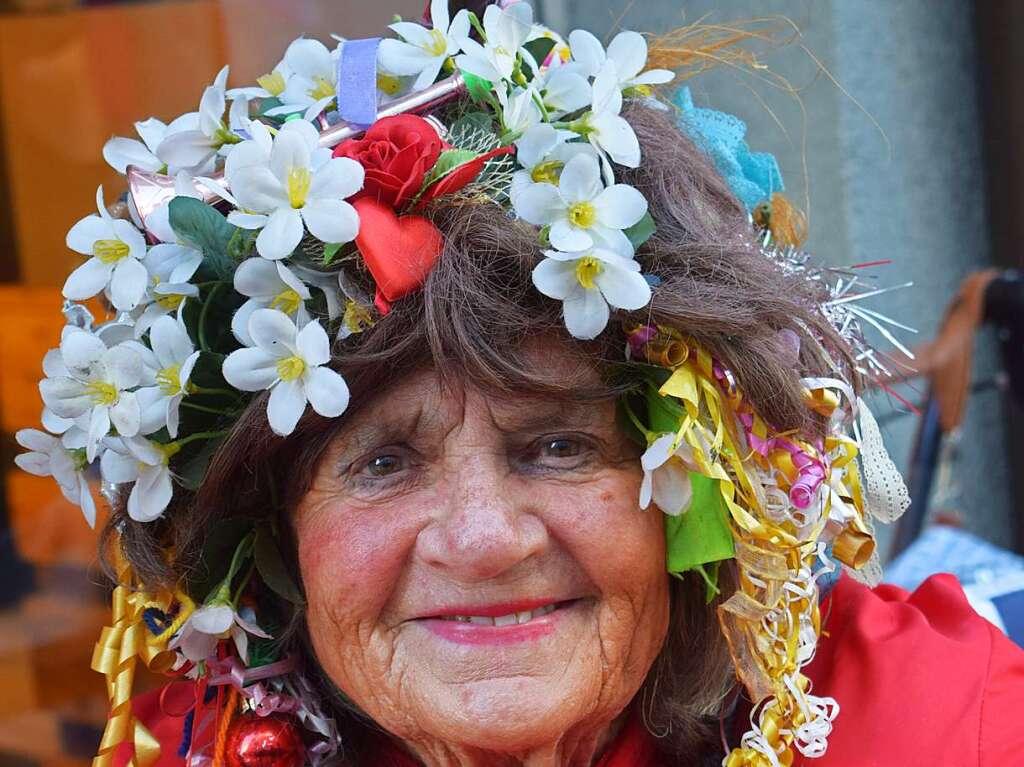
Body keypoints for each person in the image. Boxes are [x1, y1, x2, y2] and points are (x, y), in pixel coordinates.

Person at [16, 1, 1024, 765]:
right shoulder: (194, 744)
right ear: (275, 536)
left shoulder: (933, 722)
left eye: (557, 443)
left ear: (694, 493)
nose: (486, 538)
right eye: (381, 462)